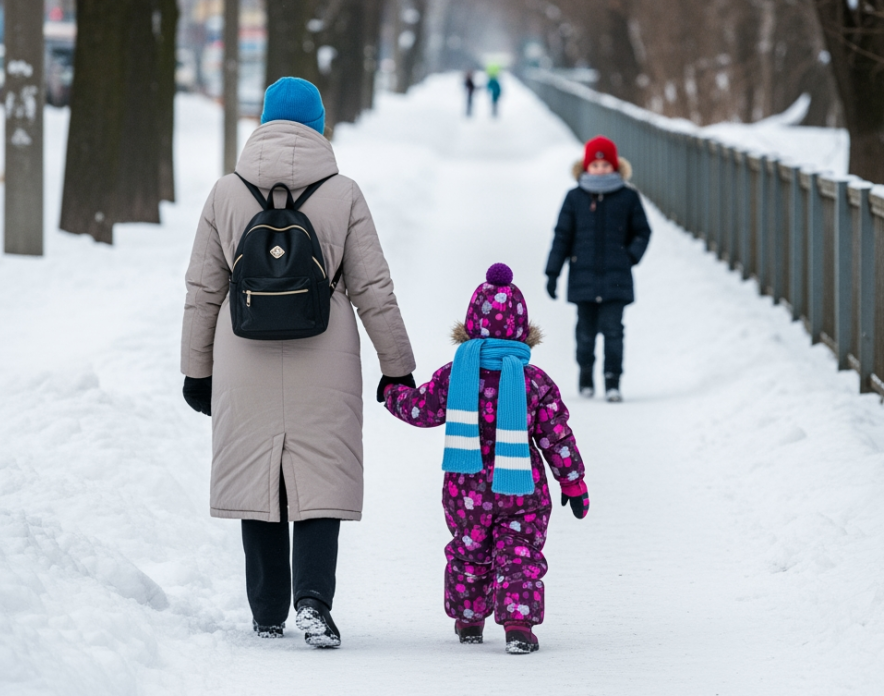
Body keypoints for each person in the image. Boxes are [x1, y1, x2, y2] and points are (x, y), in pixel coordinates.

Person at [180, 76, 417, 649]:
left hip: (243, 353)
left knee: (257, 476)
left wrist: (196, 369)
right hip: (325, 353)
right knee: (319, 475)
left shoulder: (226, 193)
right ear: (318, 125)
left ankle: (266, 612)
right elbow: (374, 288)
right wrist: (397, 366)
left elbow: (202, 291)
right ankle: (313, 600)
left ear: (262, 121)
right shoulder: (344, 193)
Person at [382, 263, 588, 655]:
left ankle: (469, 619)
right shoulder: (534, 381)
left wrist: (393, 392)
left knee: (468, 551)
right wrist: (573, 482)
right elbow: (557, 436)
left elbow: (421, 409)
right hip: (522, 490)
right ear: (522, 329)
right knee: (521, 554)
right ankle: (518, 623)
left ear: (471, 322)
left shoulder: (455, 375)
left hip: (467, 489)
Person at [544, 135, 651, 402]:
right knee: (585, 333)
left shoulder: (628, 197)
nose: (601, 170)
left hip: (616, 279)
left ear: (615, 167)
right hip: (583, 278)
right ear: (586, 167)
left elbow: (642, 231)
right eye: (596, 165)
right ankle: (586, 372)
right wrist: (552, 272)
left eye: (606, 166)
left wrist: (630, 257)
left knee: (614, 330)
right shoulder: (574, 198)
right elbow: (562, 236)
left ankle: (613, 380)